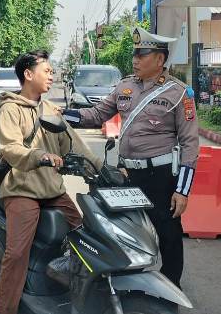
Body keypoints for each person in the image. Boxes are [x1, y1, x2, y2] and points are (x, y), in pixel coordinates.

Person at [63, 27, 200, 287]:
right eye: (135, 54)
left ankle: (170, 289)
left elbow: (190, 146)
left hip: (160, 177)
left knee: (168, 234)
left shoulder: (179, 93)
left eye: (143, 54)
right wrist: (63, 115)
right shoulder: (125, 86)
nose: (136, 60)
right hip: (127, 175)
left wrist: (182, 191)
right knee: (123, 229)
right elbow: (95, 115)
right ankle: (128, 284)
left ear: (160, 59)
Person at [0, 50, 102, 314]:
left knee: (88, 236)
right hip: (23, 189)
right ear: (28, 74)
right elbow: (10, 148)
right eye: (47, 71)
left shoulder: (51, 110)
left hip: (52, 190)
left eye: (53, 72)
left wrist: (103, 169)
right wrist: (38, 155)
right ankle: (5, 309)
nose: (52, 76)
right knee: (17, 253)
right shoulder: (10, 108)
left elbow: (74, 145)